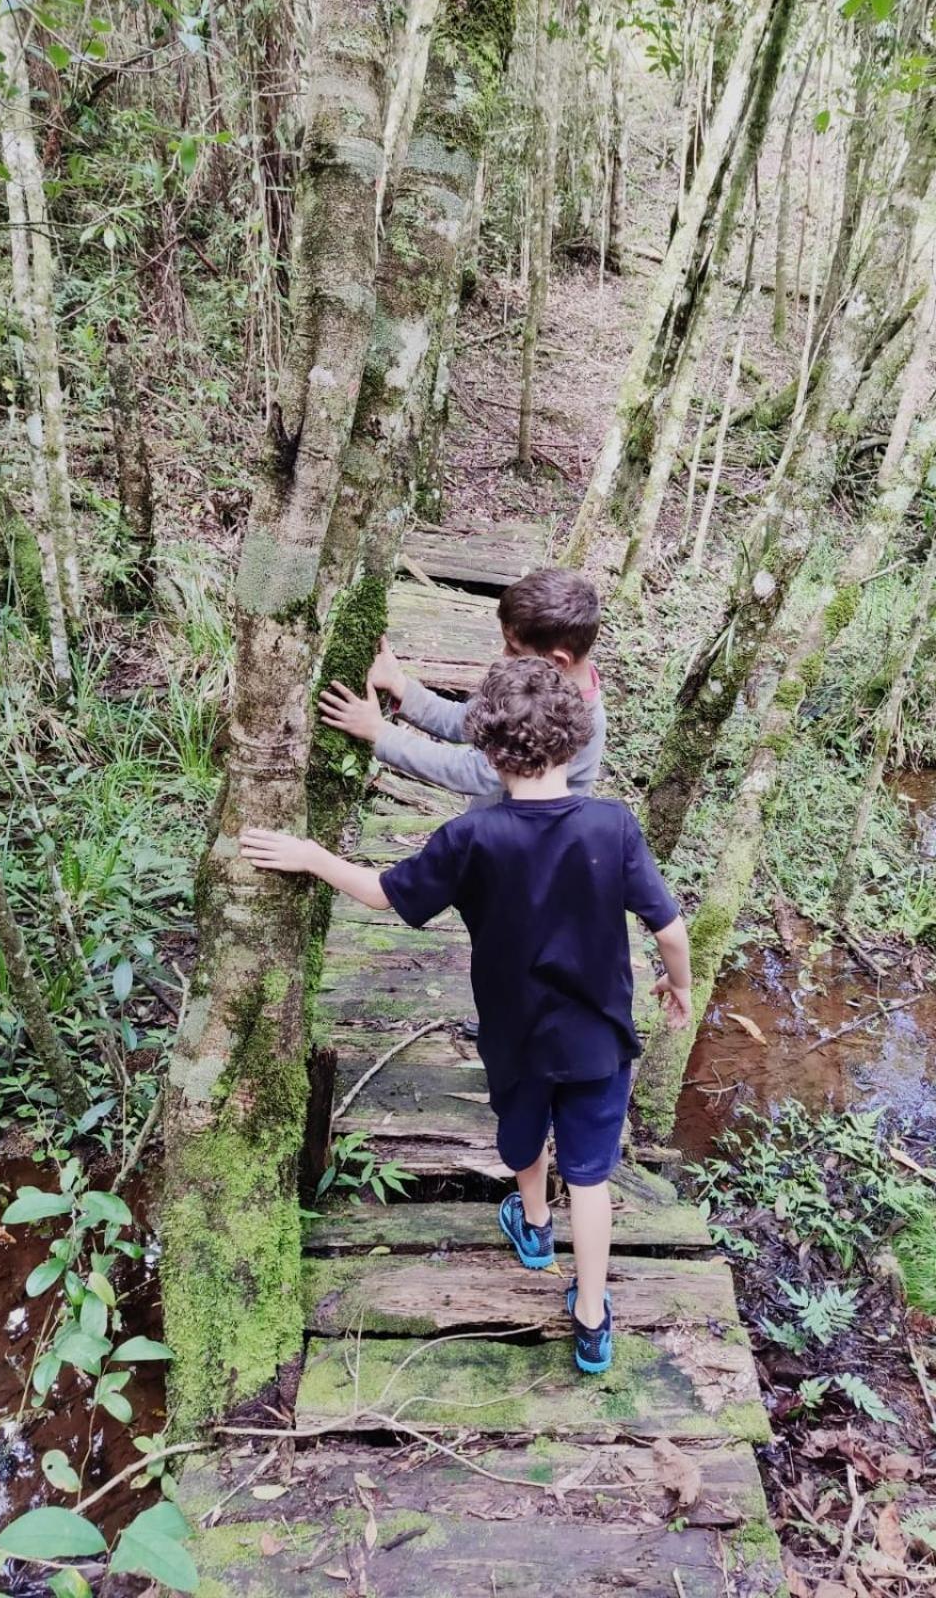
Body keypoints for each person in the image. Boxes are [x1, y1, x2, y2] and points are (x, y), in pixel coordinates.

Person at [241, 657, 691, 1376]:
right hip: (600, 1038)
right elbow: (670, 928)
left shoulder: (471, 836)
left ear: (487, 750)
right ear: (573, 743)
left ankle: (537, 1228)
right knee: (594, 1174)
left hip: (516, 1034)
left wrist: (312, 856)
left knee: (522, 1135)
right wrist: (679, 988)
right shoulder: (613, 825)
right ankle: (591, 1317)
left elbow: (384, 894)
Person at [317, 567, 606, 807]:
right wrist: (402, 687)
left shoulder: (570, 722)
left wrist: (380, 734)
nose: (504, 656)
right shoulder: (538, 686)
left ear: (558, 660)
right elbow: (469, 721)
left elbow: (474, 771)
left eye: (515, 650)